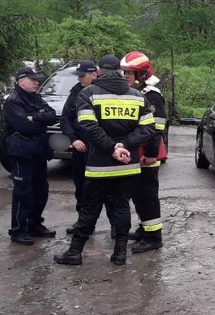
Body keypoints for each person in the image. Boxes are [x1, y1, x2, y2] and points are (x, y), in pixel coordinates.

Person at [55, 54, 157, 267]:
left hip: (99, 164)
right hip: (127, 163)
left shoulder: (88, 93)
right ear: (119, 71)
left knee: (90, 208)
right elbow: (148, 128)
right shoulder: (138, 96)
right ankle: (120, 254)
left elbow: (88, 126)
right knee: (121, 207)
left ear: (99, 71)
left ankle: (75, 252)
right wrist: (124, 146)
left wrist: (112, 148)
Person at [2, 67, 58, 246]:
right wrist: (39, 121)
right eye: (32, 79)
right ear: (20, 81)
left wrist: (34, 117)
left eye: (37, 79)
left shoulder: (36, 98)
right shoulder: (13, 102)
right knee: (23, 192)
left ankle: (35, 224)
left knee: (41, 190)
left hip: (39, 150)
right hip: (22, 152)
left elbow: (52, 116)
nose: (37, 82)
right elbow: (24, 127)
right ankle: (18, 229)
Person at [120, 51, 168, 254]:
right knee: (138, 196)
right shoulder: (137, 93)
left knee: (147, 196)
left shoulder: (152, 95)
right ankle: (144, 228)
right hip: (138, 153)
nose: (126, 76)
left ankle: (153, 237)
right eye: (124, 72)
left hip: (148, 154)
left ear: (142, 73)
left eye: (130, 73)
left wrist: (149, 153)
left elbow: (156, 129)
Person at [60, 59, 103, 235]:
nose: (79, 79)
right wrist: (73, 139)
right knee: (81, 187)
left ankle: (117, 227)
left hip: (101, 148)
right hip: (81, 147)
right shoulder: (76, 92)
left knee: (106, 189)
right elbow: (66, 118)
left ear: (94, 74)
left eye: (82, 76)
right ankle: (83, 223)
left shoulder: (104, 92)